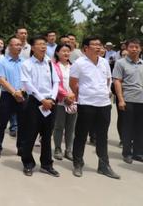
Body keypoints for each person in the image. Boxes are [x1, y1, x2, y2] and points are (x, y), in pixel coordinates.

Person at [70, 36, 119, 179]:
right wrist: (82, 95)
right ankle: (78, 163)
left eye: (100, 44)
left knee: (102, 135)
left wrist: (105, 92)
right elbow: (73, 83)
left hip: (104, 103)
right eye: (95, 44)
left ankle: (104, 165)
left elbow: (108, 79)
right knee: (81, 134)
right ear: (86, 48)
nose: (98, 47)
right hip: (86, 103)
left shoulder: (104, 62)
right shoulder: (79, 63)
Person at [19, 36, 60, 177]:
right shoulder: (27, 64)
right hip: (35, 102)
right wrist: (42, 100)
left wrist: (52, 98)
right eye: (40, 44)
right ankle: (28, 163)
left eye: (44, 44)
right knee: (30, 134)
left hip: (50, 102)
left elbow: (56, 82)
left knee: (47, 135)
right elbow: (27, 84)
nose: (43, 47)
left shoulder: (49, 62)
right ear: (33, 47)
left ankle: (47, 164)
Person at [0, 36, 25, 159]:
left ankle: (21, 148)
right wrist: (14, 92)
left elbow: (27, 79)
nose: (19, 47)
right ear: (9, 47)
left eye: (20, 45)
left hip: (22, 94)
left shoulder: (24, 62)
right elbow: (1, 79)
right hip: (7, 95)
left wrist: (21, 91)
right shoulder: (2, 62)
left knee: (22, 123)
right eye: (16, 45)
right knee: (2, 122)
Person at [112, 38, 143, 164]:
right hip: (128, 99)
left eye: (137, 47)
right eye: (131, 47)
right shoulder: (120, 63)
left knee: (140, 128)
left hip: (141, 100)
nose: (134, 49)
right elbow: (117, 81)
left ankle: (138, 152)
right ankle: (127, 152)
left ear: (140, 49)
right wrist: (120, 99)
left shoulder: (142, 63)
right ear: (127, 48)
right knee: (127, 127)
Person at [52, 43, 76, 161]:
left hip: (73, 101)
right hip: (60, 101)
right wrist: (65, 95)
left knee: (71, 127)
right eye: (63, 51)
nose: (66, 53)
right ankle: (57, 148)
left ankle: (69, 150)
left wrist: (73, 96)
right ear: (57, 53)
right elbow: (55, 83)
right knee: (59, 126)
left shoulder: (74, 66)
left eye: (68, 51)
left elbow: (78, 82)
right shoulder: (54, 66)